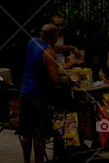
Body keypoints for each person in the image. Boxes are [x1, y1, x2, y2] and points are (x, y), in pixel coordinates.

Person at [19, 24, 70, 163]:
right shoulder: (48, 53)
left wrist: (71, 48)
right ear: (53, 38)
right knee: (40, 135)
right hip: (40, 96)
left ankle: (26, 160)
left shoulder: (32, 42)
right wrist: (66, 80)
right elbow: (55, 79)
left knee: (26, 133)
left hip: (25, 93)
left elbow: (54, 48)